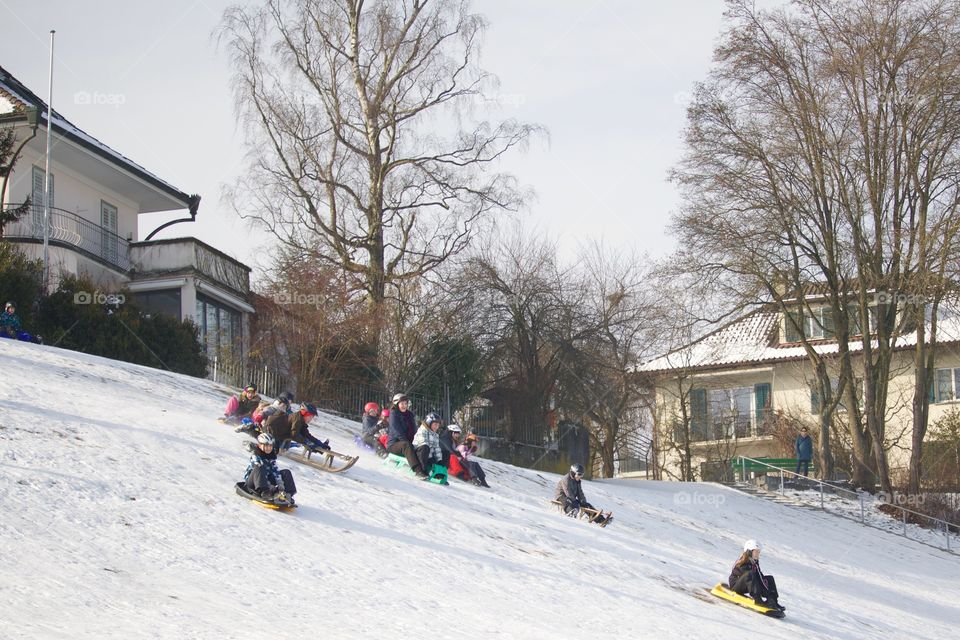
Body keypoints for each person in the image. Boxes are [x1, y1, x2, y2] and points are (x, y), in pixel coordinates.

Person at [728, 540, 784, 611]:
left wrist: (769, 595)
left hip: (748, 585)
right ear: (749, 551)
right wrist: (763, 592)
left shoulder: (754, 562)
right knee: (750, 574)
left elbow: (760, 577)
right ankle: (758, 600)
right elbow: (751, 579)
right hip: (736, 586)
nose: (758, 554)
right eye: (756, 552)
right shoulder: (742, 562)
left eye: (759, 552)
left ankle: (774, 601)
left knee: (769, 578)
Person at [242, 432, 297, 504]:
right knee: (260, 466)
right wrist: (269, 487)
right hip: (252, 483)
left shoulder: (271, 457)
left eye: (270, 446)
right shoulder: (256, 456)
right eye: (266, 445)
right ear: (259, 445)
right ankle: (265, 493)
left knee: (286, 472)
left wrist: (280, 485)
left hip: (265, 482)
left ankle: (288, 493)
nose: (269, 448)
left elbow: (275, 471)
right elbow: (259, 472)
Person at [386, 393, 427, 478]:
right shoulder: (394, 414)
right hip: (394, 445)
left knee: (423, 446)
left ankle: (425, 469)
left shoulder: (410, 415)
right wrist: (408, 442)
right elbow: (397, 431)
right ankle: (418, 470)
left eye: (406, 403)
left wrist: (417, 441)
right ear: (396, 404)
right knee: (406, 445)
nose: (404, 406)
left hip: (407, 443)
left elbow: (414, 430)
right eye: (402, 404)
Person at [262, 402, 330, 452]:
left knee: (305, 440)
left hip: (279, 435)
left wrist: (319, 443)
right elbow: (294, 435)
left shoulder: (301, 420)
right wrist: (307, 442)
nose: (311, 419)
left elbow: (306, 434)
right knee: (300, 440)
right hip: (271, 433)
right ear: (305, 414)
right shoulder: (296, 419)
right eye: (311, 417)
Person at [412, 412, 445, 480]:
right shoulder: (422, 430)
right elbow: (423, 443)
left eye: (438, 425)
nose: (437, 427)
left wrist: (439, 460)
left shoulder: (435, 435)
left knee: (444, 454)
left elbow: (437, 448)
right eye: (435, 424)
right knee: (425, 447)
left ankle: (438, 473)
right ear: (429, 423)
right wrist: (431, 457)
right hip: (418, 453)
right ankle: (421, 471)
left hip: (428, 454)